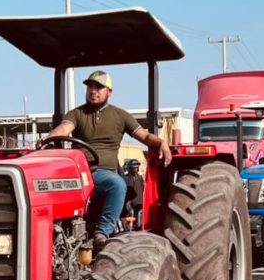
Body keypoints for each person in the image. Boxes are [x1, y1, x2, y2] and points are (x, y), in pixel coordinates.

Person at [43, 70, 172, 251]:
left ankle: (101, 233)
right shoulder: (77, 114)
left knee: (117, 184)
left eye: (99, 87)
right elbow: (64, 128)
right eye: (90, 87)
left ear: (109, 91)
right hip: (78, 172)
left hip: (101, 174)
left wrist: (161, 143)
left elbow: (144, 136)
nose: (93, 91)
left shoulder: (120, 116)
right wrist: (48, 138)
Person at [123, 158, 144, 230]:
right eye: (133, 168)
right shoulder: (125, 178)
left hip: (139, 202)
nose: (135, 169)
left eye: (137, 168)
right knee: (129, 215)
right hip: (128, 202)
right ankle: (128, 229)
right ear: (129, 168)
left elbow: (142, 189)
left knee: (139, 218)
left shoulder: (140, 178)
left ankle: (137, 228)